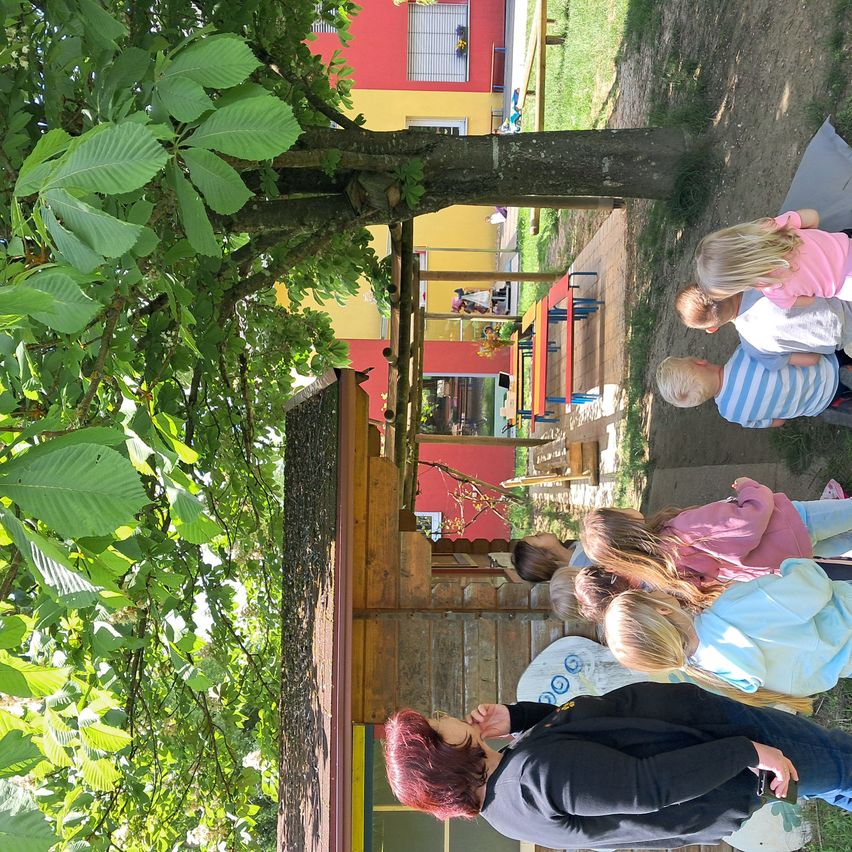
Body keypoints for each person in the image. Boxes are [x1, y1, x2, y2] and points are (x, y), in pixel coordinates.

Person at [383, 680, 852, 849]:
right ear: (442, 754)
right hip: (725, 750)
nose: (445, 715)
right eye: (437, 722)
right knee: (838, 761)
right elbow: (649, 786)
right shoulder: (535, 779)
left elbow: (588, 735)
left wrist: (518, 717)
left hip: (719, 752)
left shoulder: (507, 798)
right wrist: (747, 752)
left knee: (832, 776)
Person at [603, 557, 852, 712]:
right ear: (661, 610)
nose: (653, 590)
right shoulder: (730, 609)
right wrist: (794, 564)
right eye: (647, 594)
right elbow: (811, 590)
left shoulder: (712, 679)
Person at [580, 480, 852, 600]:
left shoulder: (664, 573)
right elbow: (747, 522)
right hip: (790, 524)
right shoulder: (680, 530)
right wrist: (749, 487)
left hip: (786, 560)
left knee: (845, 540)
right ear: (625, 527)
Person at [695, 208, 852, 308]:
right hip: (847, 245)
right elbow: (813, 216)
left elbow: (809, 300)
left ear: (739, 285)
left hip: (845, 286)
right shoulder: (772, 228)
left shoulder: (775, 293)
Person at [654, 350, 852, 428]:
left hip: (820, 404)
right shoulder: (745, 352)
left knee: (820, 406)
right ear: (700, 361)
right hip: (829, 368)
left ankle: (841, 404)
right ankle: (846, 372)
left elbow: (778, 421)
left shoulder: (731, 414)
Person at [674, 283, 852, 368]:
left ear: (712, 329)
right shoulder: (761, 281)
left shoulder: (754, 347)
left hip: (843, 336)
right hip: (844, 291)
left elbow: (812, 360)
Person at [510, 531, 591, 582]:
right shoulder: (588, 564)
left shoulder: (574, 549)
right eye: (536, 536)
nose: (538, 532)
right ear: (544, 556)